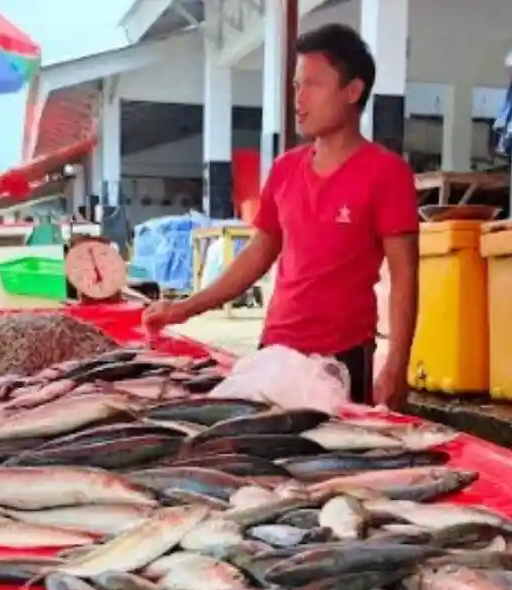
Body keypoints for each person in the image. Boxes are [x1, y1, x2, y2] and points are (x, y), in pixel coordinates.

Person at [142, 24, 419, 410]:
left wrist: (396, 366)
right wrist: (183, 308)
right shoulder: (285, 169)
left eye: (313, 85)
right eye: (296, 85)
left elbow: (405, 278)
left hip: (342, 358)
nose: (299, 100)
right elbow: (257, 255)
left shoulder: (387, 173)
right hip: (274, 349)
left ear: (353, 91)